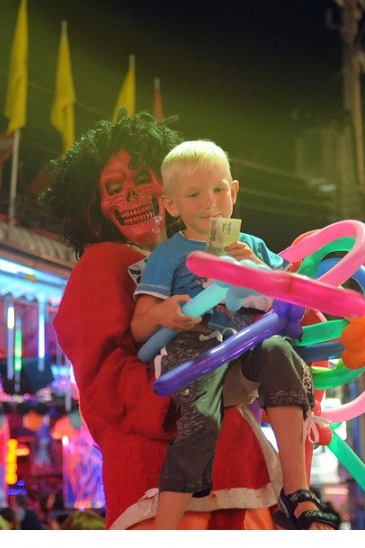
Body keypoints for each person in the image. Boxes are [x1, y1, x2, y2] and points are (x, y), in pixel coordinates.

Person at [42, 112, 292, 530]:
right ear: (91, 205)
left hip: (234, 464)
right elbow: (104, 378)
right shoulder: (102, 263)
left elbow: (284, 309)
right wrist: (188, 395)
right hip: (156, 473)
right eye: (114, 188)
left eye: (142, 179)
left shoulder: (206, 250)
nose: (132, 195)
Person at [129, 140, 336, 531]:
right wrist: (163, 313)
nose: (210, 202)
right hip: (193, 350)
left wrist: (257, 266)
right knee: (200, 423)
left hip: (248, 347)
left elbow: (290, 301)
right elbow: (139, 328)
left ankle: (297, 491)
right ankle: (166, 526)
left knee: (280, 350)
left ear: (234, 192)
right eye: (194, 194)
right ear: (171, 205)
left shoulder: (252, 246)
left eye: (218, 189)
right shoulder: (169, 255)